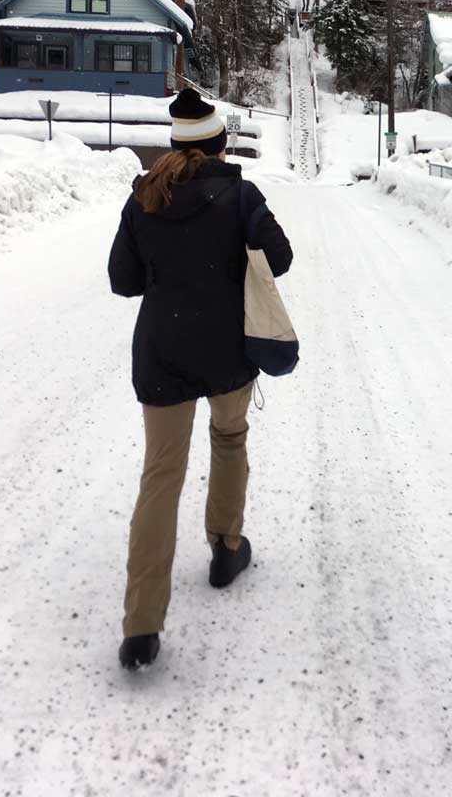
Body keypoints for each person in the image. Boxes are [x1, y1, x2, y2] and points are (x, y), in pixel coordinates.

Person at [108, 88, 293, 671]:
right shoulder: (239, 194)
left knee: (160, 475)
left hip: (161, 351)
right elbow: (280, 258)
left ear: (174, 143)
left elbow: (123, 280)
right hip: (227, 350)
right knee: (230, 440)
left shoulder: (143, 197)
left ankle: (141, 627)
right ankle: (225, 548)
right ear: (219, 143)